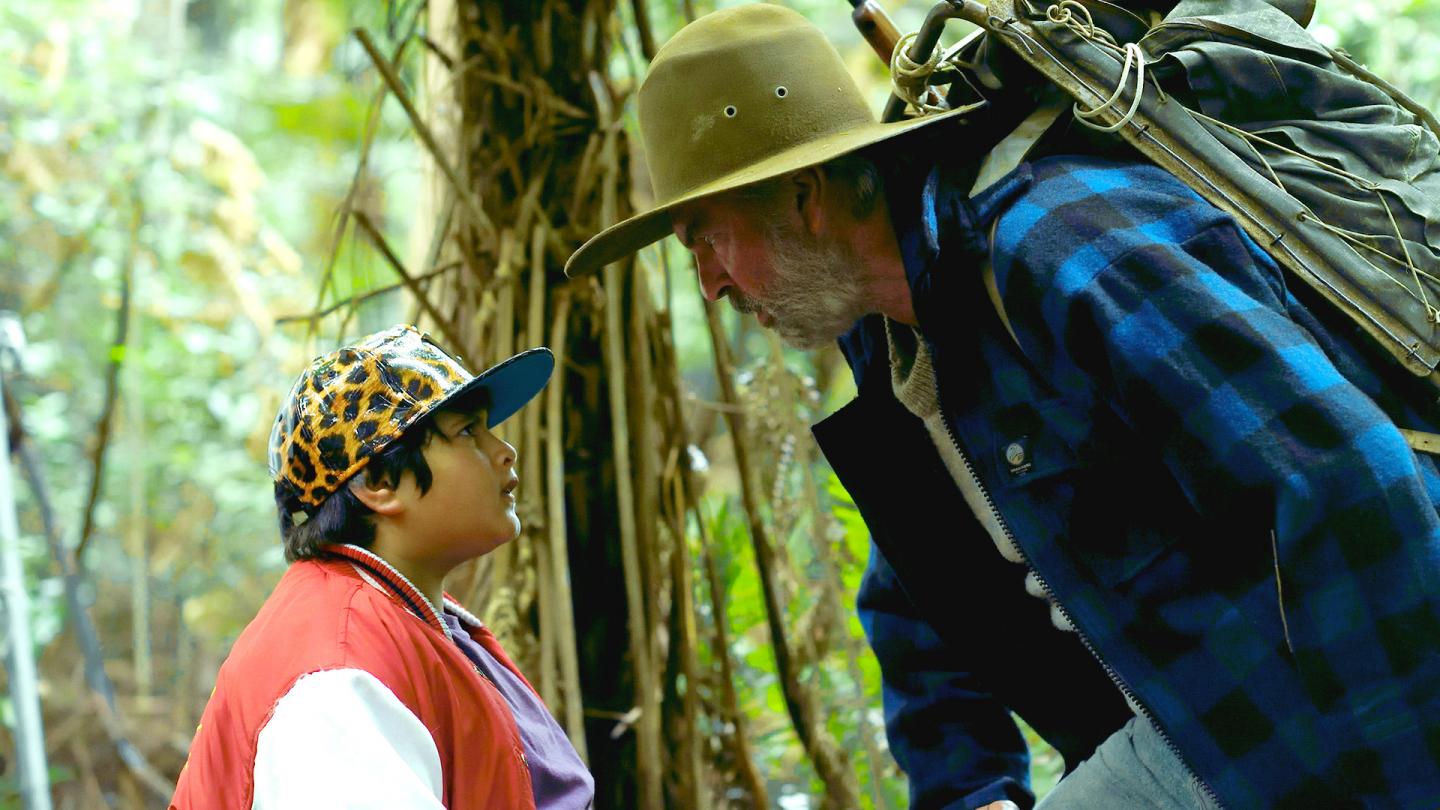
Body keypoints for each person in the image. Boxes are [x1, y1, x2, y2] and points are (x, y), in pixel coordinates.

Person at [565, 4, 1440, 809]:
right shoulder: (890, 342)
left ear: (804, 197)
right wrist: (969, 789)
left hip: (1346, 728)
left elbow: (1346, 482)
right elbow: (922, 594)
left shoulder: (1058, 245)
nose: (711, 285)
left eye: (708, 240)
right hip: (1199, 738)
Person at [170, 324, 594, 809]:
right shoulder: (336, 680)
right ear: (377, 482)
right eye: (467, 431)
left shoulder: (407, 619)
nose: (503, 451)